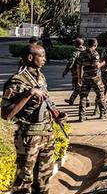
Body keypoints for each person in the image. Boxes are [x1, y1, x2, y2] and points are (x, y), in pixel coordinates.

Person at [1, 44, 67, 194]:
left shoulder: (40, 76)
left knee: (43, 180)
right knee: (24, 181)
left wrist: (57, 114)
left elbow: (44, 102)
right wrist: (29, 94)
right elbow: (6, 114)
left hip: (47, 135)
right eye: (41, 56)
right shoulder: (16, 82)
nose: (45, 59)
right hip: (29, 138)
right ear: (30, 57)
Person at [77, 38, 107, 122]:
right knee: (100, 94)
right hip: (95, 78)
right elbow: (97, 66)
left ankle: (82, 116)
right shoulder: (95, 53)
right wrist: (103, 63)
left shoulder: (82, 53)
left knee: (83, 96)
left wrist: (79, 78)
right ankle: (103, 113)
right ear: (95, 45)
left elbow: (79, 66)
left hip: (85, 77)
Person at [63, 38, 86, 106]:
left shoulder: (76, 53)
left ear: (76, 44)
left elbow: (71, 63)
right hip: (86, 72)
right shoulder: (86, 51)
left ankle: (86, 101)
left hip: (77, 73)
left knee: (78, 86)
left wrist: (65, 71)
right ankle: (71, 100)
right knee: (78, 87)